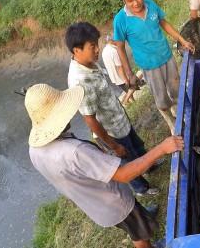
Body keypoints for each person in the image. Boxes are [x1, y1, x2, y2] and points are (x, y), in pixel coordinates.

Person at [25, 83, 183, 248]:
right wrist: (162, 148)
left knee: (132, 222)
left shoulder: (34, 150)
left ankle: (143, 215)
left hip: (94, 204)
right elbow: (124, 174)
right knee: (137, 229)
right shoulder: (75, 152)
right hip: (114, 203)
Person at [66, 22, 159, 196]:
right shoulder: (79, 81)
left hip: (120, 120)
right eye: (92, 46)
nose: (97, 50)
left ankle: (148, 166)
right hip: (112, 133)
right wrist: (114, 146)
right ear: (76, 50)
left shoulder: (90, 64)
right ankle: (142, 189)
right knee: (127, 160)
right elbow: (90, 120)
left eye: (96, 44)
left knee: (137, 146)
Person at [112, 0, 194, 133]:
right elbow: (120, 47)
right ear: (124, 1)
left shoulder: (151, 5)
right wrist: (129, 73)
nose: (136, 3)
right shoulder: (120, 20)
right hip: (149, 66)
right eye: (130, 1)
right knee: (161, 99)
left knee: (176, 89)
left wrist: (182, 41)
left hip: (167, 56)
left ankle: (181, 113)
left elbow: (164, 24)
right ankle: (170, 121)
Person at [102, 34, 144, 105]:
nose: (114, 40)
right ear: (110, 40)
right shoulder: (113, 51)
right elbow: (119, 67)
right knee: (133, 87)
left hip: (114, 77)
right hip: (121, 76)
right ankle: (125, 100)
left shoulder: (104, 51)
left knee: (127, 90)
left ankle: (133, 102)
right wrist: (125, 79)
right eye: (113, 39)